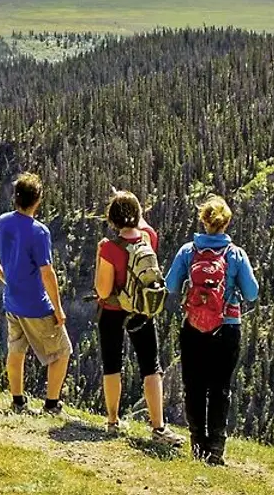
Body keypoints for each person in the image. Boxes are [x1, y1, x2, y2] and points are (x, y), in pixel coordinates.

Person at [165, 195, 260, 466]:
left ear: (203, 221)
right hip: (227, 328)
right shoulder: (235, 255)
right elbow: (252, 293)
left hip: (193, 327)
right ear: (226, 223)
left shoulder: (188, 251)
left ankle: (198, 445)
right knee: (220, 388)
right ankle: (216, 449)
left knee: (194, 387)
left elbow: (170, 285)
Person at [94, 191, 183, 446]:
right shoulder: (149, 237)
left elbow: (103, 291)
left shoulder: (109, 249)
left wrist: (99, 257)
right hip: (142, 309)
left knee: (112, 365)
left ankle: (113, 421)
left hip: (113, 312)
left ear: (112, 220)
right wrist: (132, 207)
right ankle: (158, 427)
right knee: (151, 366)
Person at [0, 172, 71, 415]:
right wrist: (58, 309)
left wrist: (4, 277)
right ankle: (51, 405)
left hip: (12, 301)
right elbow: (47, 274)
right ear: (38, 200)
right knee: (62, 352)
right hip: (36, 305)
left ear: (16, 197)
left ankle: (18, 401)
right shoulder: (39, 232)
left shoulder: (3, 221)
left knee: (16, 350)